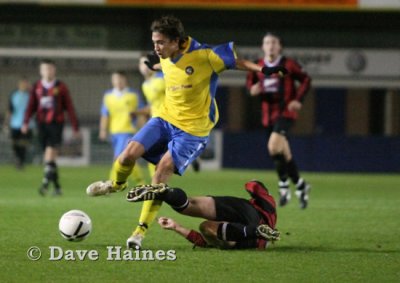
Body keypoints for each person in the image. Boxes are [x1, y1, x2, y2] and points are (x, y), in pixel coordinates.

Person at [87, 15, 286, 249]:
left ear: (176, 41)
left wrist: (263, 69)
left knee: (161, 174)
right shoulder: (165, 56)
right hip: (165, 117)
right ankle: (117, 184)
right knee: (128, 154)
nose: (156, 47)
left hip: (193, 130)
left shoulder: (204, 55)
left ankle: (139, 232)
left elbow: (238, 62)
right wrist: (151, 61)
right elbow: (159, 63)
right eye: (154, 42)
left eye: (160, 42)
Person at [246, 32, 312, 209]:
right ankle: (300, 185)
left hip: (286, 113)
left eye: (274, 42)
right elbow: (250, 85)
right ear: (262, 46)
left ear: (280, 46)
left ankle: (283, 185)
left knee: (273, 146)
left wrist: (298, 99)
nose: (270, 46)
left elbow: (305, 79)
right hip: (268, 116)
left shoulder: (289, 64)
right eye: (267, 42)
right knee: (284, 153)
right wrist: (252, 90)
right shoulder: (258, 65)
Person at [127, 180, 280, 250]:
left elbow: (253, 185)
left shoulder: (268, 202)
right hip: (251, 241)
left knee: (189, 205)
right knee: (209, 230)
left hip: (246, 211)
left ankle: (167, 193)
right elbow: (207, 241)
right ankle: (257, 230)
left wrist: (252, 189)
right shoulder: (269, 212)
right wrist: (177, 227)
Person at [22, 59, 80, 196]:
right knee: (50, 159)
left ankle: (45, 183)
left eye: (50, 69)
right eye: (45, 69)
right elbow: (31, 106)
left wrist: (75, 126)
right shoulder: (36, 86)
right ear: (41, 71)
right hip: (41, 124)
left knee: (49, 153)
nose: (48, 71)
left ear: (54, 70)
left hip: (56, 124)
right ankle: (58, 187)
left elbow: (69, 107)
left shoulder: (61, 87)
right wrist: (25, 122)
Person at [137, 55, 200, 174]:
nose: (144, 67)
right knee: (152, 152)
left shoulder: (162, 78)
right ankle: (155, 183)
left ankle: (189, 156)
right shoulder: (145, 85)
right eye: (141, 64)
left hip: (171, 119)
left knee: (156, 152)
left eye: (146, 64)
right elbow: (152, 105)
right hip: (157, 121)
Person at [99, 70, 147, 185]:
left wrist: (143, 130)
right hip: (114, 132)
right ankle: (140, 182)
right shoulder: (108, 96)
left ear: (125, 80)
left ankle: (111, 184)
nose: (118, 81)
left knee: (118, 157)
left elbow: (141, 113)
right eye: (115, 79)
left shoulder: (133, 95)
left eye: (120, 79)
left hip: (128, 131)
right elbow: (105, 114)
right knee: (127, 159)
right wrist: (103, 130)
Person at [3, 77, 34, 169]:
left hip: (27, 124)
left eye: (26, 83)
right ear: (19, 84)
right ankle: (18, 159)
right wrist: (6, 122)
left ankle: (21, 161)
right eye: (23, 83)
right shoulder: (14, 95)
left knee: (23, 144)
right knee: (14, 143)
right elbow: (10, 110)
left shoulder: (31, 96)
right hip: (15, 123)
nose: (24, 85)